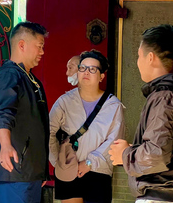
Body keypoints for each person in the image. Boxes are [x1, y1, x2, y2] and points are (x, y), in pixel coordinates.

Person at [109, 24, 173, 203]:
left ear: (150, 58)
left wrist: (125, 154)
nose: (137, 61)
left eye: (139, 55)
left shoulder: (164, 98)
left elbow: (155, 155)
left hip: (161, 197)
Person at [0, 21, 50, 203]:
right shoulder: (10, 75)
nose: (42, 52)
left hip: (29, 172)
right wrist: (5, 146)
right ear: (22, 44)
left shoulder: (30, 78)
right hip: (13, 171)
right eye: (39, 46)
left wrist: (40, 170)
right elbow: (3, 112)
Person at [49, 49, 124, 203]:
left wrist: (90, 163)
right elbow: (48, 131)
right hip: (69, 167)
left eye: (92, 69)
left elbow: (114, 139)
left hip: (98, 170)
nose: (86, 72)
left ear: (101, 76)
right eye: (82, 68)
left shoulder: (113, 105)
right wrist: (57, 161)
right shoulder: (65, 101)